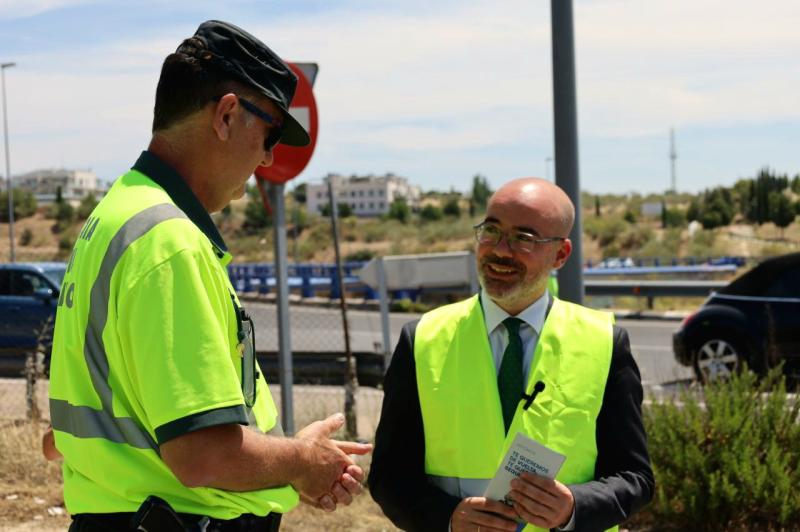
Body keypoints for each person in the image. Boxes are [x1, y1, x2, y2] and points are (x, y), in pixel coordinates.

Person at [48, 20, 371, 532]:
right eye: (268, 134)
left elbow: (74, 426)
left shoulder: (114, 216)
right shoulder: (170, 241)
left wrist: (285, 466)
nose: (267, 158)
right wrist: (304, 461)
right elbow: (202, 455)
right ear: (225, 115)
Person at [369, 177, 654, 532]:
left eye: (524, 238)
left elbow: (635, 477)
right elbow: (388, 475)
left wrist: (572, 508)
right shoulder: (423, 339)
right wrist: (447, 518)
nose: (500, 250)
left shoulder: (604, 343)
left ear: (561, 254)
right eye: (491, 231)